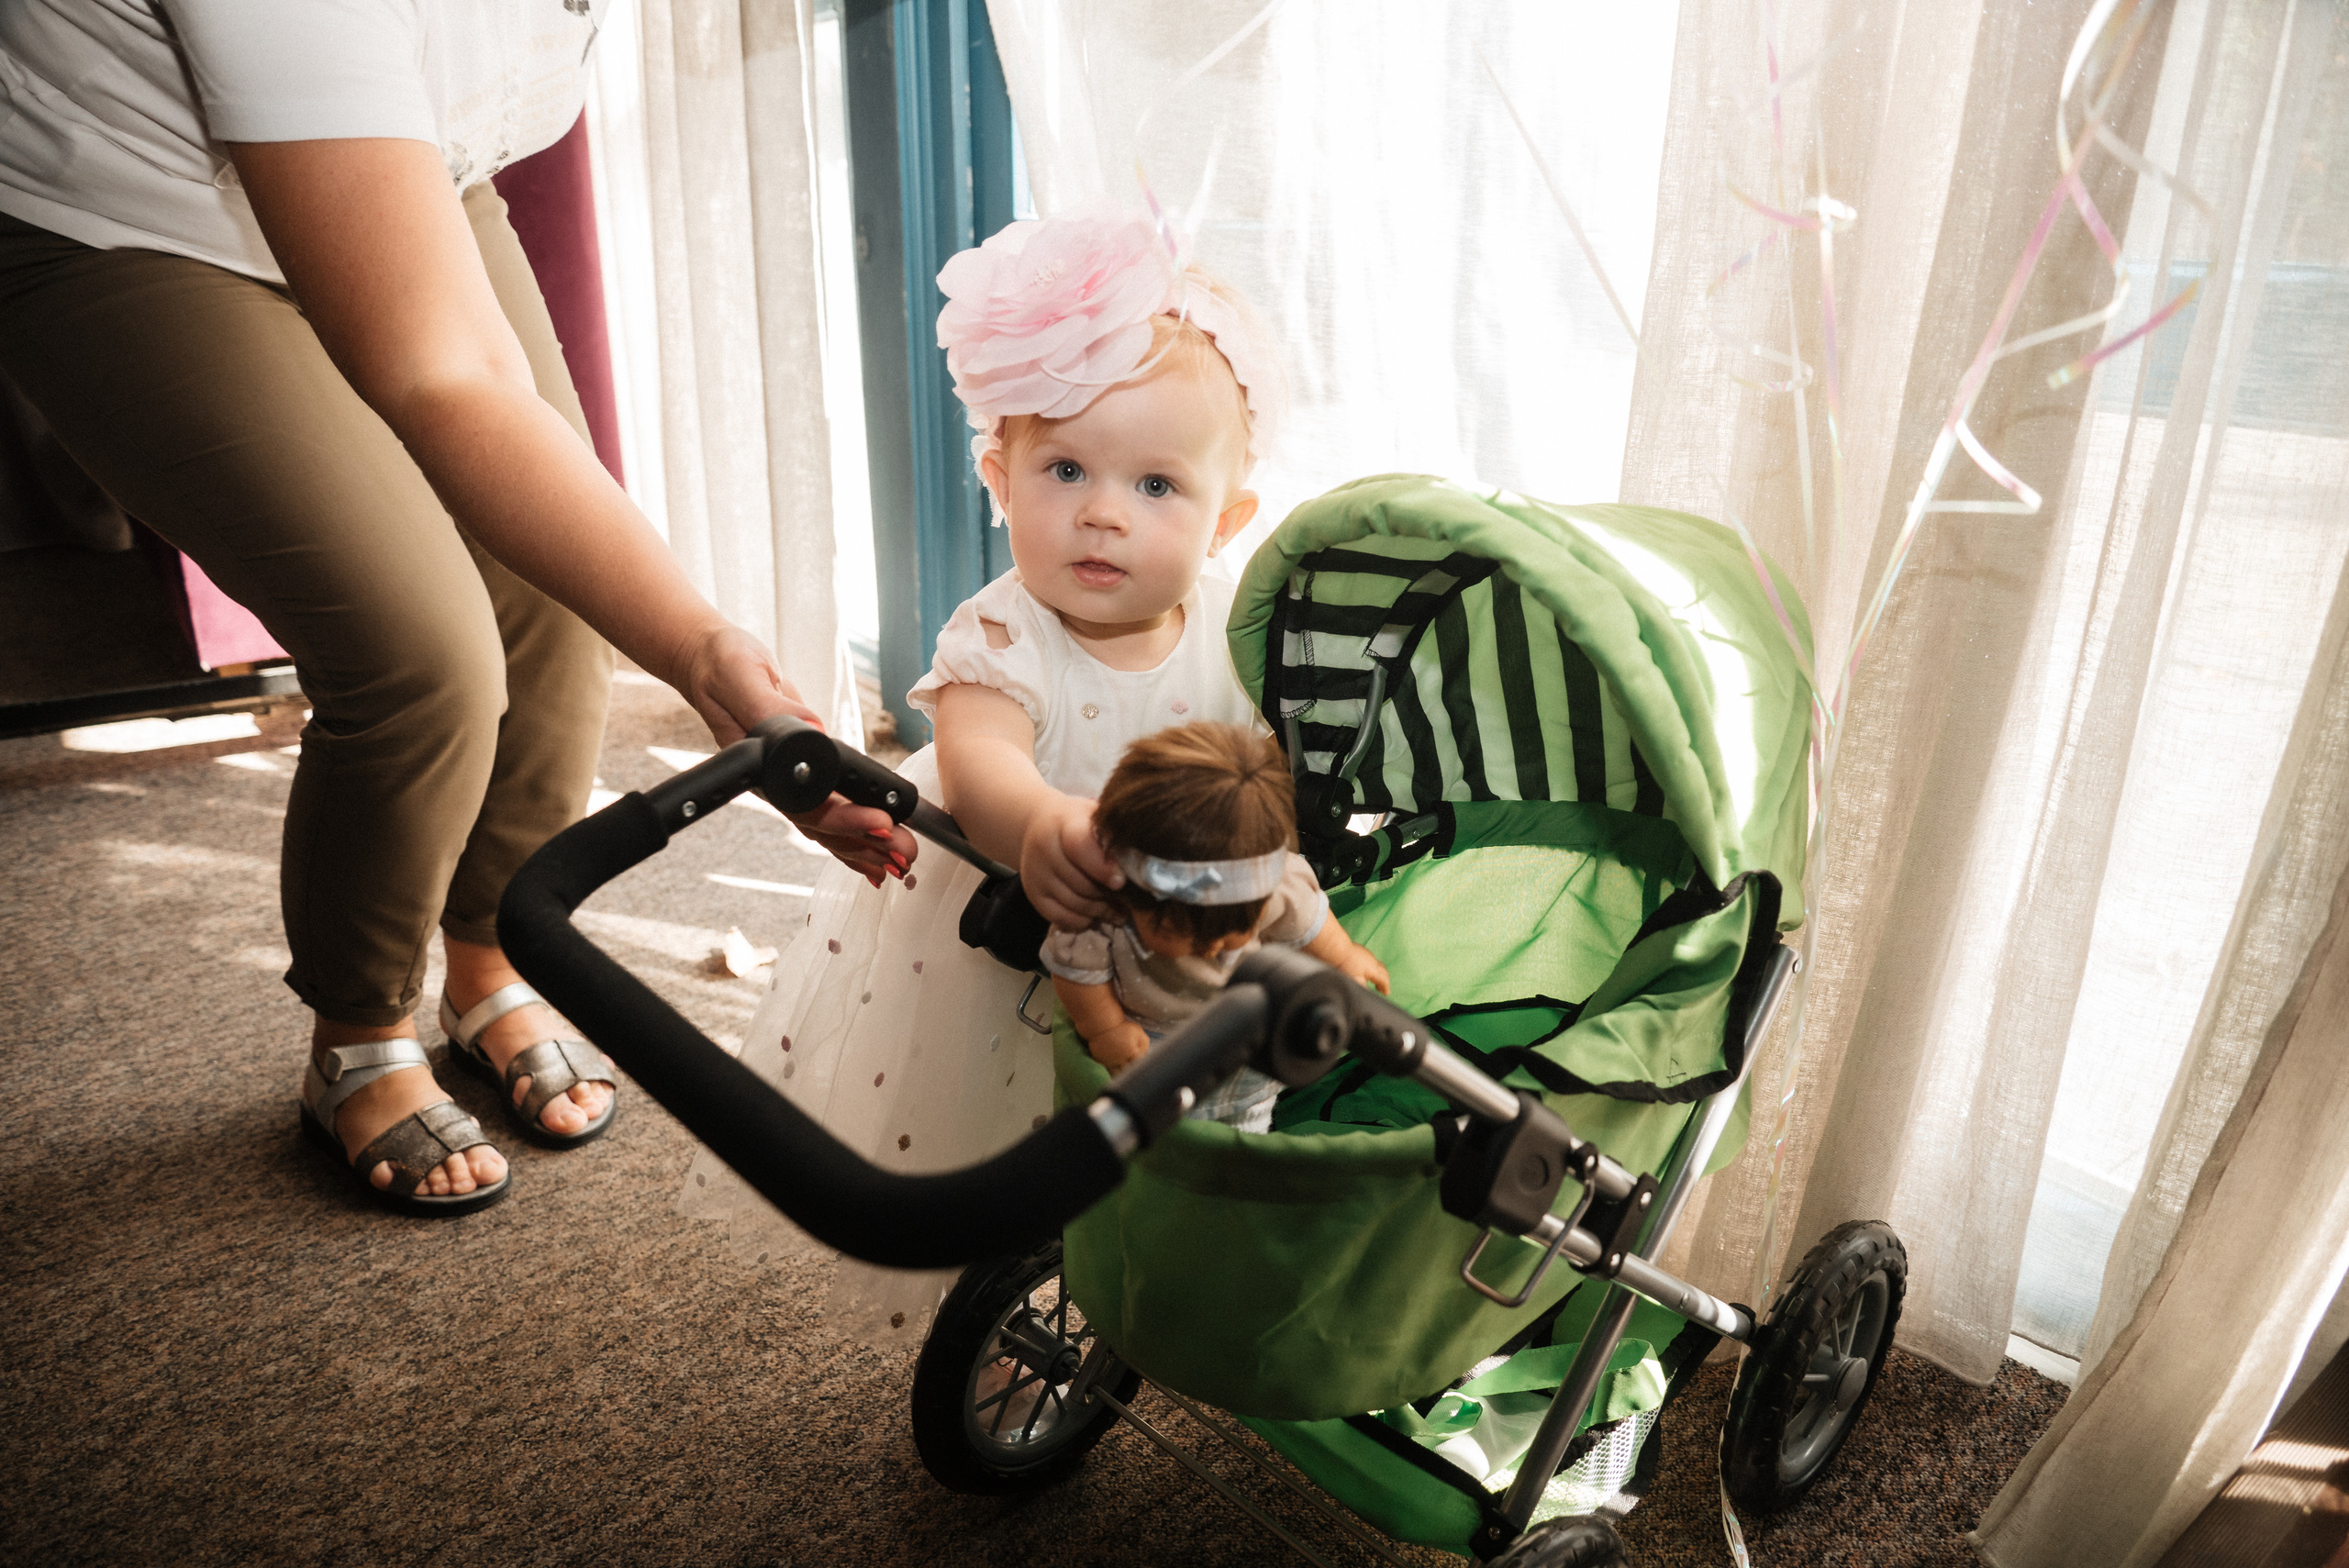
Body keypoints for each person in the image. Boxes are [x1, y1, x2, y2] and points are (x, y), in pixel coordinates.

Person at [0, 3, 910, 1216]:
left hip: (392, 155)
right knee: (419, 648)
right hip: (124, 203)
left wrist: (712, 663)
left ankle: (487, 956)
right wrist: (711, 662)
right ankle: (359, 1030)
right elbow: (450, 375)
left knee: (555, 592)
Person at [676, 206, 1281, 1307]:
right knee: (1020, 1122)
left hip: (1173, 929)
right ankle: (1031, 1279)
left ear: (1225, 517)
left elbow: (1258, 753)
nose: (1103, 514)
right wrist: (1042, 819)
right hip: (1008, 930)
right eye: (1064, 470)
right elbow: (982, 761)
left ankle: (1178, 1241)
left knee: (1190, 1097)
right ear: (998, 473)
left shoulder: (1232, 630)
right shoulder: (1002, 637)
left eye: (1155, 486)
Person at [1047, 723, 1390, 1132]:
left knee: (1247, 1128)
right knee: (1155, 1143)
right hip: (1155, 1050)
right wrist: (1104, 1028)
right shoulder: (1101, 909)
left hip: (1245, 1046)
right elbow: (1076, 973)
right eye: (1186, 936)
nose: (1212, 949)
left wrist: (1345, 956)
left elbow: (1308, 920)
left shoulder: (1274, 886)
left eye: (1235, 932)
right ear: (1129, 894)